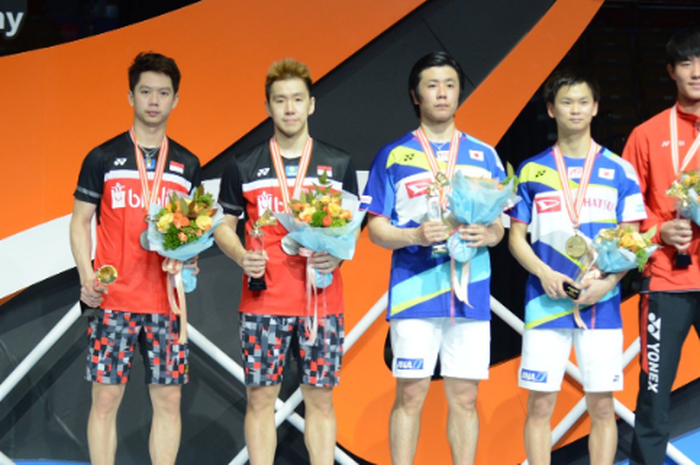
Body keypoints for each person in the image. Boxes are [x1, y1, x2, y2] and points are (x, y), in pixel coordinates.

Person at [361, 51, 505, 465]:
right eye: (431, 85)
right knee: (411, 391)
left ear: (459, 92)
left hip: (470, 289)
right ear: (415, 95)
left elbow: (502, 228)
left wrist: (488, 233)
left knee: (465, 395)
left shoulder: (484, 155)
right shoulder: (392, 156)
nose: (442, 94)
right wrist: (414, 234)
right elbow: (375, 229)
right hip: (413, 289)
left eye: (450, 85)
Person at [214, 58, 358, 465]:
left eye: (297, 99)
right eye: (280, 100)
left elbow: (351, 229)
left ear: (311, 104)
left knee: (321, 399)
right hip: (264, 301)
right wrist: (242, 255)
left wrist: (336, 254)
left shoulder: (339, 164)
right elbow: (222, 225)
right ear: (268, 107)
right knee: (260, 398)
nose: (289, 108)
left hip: (322, 301)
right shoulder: (243, 166)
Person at [508, 70, 646, 465]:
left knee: (602, 407)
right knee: (540, 405)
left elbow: (631, 241)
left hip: (601, 303)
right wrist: (544, 273)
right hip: (545, 301)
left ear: (595, 108)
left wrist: (609, 283)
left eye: (583, 101)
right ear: (551, 109)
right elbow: (515, 239)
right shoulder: (531, 171)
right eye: (566, 102)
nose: (575, 109)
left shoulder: (620, 171)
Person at [69, 52, 201, 465]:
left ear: (176, 100)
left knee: (170, 399)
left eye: (163, 93)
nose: (154, 101)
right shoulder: (102, 158)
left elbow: (193, 232)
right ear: (131, 95)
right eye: (146, 91)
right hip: (114, 299)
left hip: (166, 301)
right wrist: (87, 276)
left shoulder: (187, 164)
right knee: (105, 398)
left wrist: (190, 261)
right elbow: (79, 223)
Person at [622, 28, 700, 465]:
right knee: (654, 394)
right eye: (687, 62)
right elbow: (627, 216)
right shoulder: (646, 135)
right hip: (666, 281)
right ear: (671, 71)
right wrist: (659, 232)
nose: (697, 71)